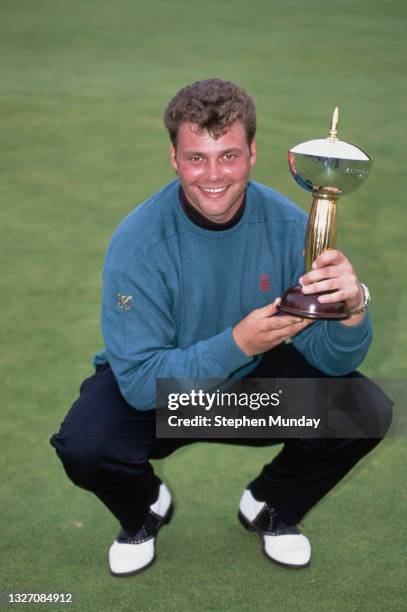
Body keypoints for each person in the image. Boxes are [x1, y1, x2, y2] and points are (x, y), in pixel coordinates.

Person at [50, 78, 392, 577]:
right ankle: (143, 507)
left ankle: (272, 504)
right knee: (86, 446)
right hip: (165, 393)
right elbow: (144, 386)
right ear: (174, 158)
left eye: (228, 156)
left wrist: (353, 309)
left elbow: (333, 360)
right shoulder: (138, 243)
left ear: (253, 153)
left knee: (366, 409)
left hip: (252, 390)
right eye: (196, 158)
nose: (213, 175)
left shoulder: (291, 225)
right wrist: (237, 343)